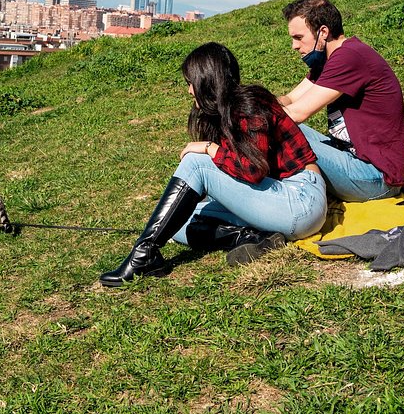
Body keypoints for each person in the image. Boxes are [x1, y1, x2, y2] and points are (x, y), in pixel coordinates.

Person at [99, 42, 327, 287]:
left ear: (207, 81)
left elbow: (252, 170)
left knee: (196, 163)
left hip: (301, 199)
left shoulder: (251, 106)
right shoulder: (225, 111)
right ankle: (255, 238)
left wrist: (209, 147)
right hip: (279, 198)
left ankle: (143, 256)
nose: (189, 91)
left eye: (191, 82)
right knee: (179, 223)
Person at [276, 0, 404, 203]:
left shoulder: (349, 57)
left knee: (281, 132)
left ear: (323, 32)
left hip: (377, 176)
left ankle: (277, 201)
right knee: (282, 130)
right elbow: (290, 99)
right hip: (354, 161)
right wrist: (251, 103)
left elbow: (296, 113)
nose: (294, 45)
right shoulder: (328, 60)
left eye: (299, 37)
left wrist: (242, 119)